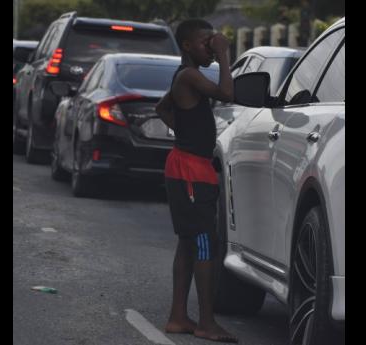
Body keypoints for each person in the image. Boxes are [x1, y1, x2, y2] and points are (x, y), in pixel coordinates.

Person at [155, 19, 237, 343]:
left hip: (188, 166)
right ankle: (205, 323)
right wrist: (225, 55)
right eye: (206, 42)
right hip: (190, 170)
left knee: (189, 242)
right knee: (205, 243)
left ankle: (178, 317)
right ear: (187, 46)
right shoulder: (189, 75)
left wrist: (184, 131)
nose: (211, 47)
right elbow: (228, 93)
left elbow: (161, 107)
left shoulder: (186, 76)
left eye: (213, 42)